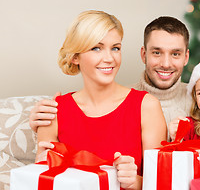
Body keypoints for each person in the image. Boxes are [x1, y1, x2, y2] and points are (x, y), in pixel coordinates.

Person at [30, 16, 200, 189]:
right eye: (156, 52)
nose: (165, 63)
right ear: (143, 54)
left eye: (115, 48)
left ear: (186, 57)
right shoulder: (131, 102)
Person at [35, 10, 166, 190]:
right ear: (75, 57)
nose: (109, 58)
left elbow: (160, 184)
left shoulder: (147, 106)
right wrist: (41, 166)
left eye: (115, 48)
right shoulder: (54, 112)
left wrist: (133, 182)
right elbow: (42, 181)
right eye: (96, 48)